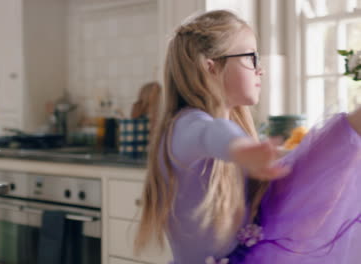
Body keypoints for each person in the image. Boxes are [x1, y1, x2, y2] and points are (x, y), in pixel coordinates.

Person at [133, 9, 361, 264]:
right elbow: (210, 133)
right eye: (251, 57)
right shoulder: (184, 126)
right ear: (211, 67)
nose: (260, 70)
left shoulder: (231, 127)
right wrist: (240, 148)